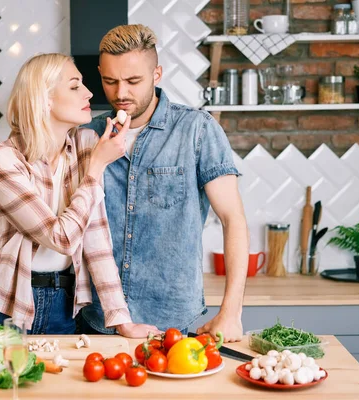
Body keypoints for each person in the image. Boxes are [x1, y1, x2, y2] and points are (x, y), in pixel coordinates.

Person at [0, 53, 159, 338]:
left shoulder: (85, 146)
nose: (89, 92)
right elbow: (62, 238)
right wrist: (96, 168)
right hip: (3, 305)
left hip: (63, 307)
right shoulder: (3, 160)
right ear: (44, 99)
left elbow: (96, 239)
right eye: (74, 86)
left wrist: (121, 319)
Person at [80, 24, 249, 342]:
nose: (120, 94)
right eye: (110, 81)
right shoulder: (86, 135)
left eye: (133, 81)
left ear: (156, 74)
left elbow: (233, 219)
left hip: (172, 323)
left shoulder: (197, 130)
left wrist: (231, 311)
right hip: (96, 320)